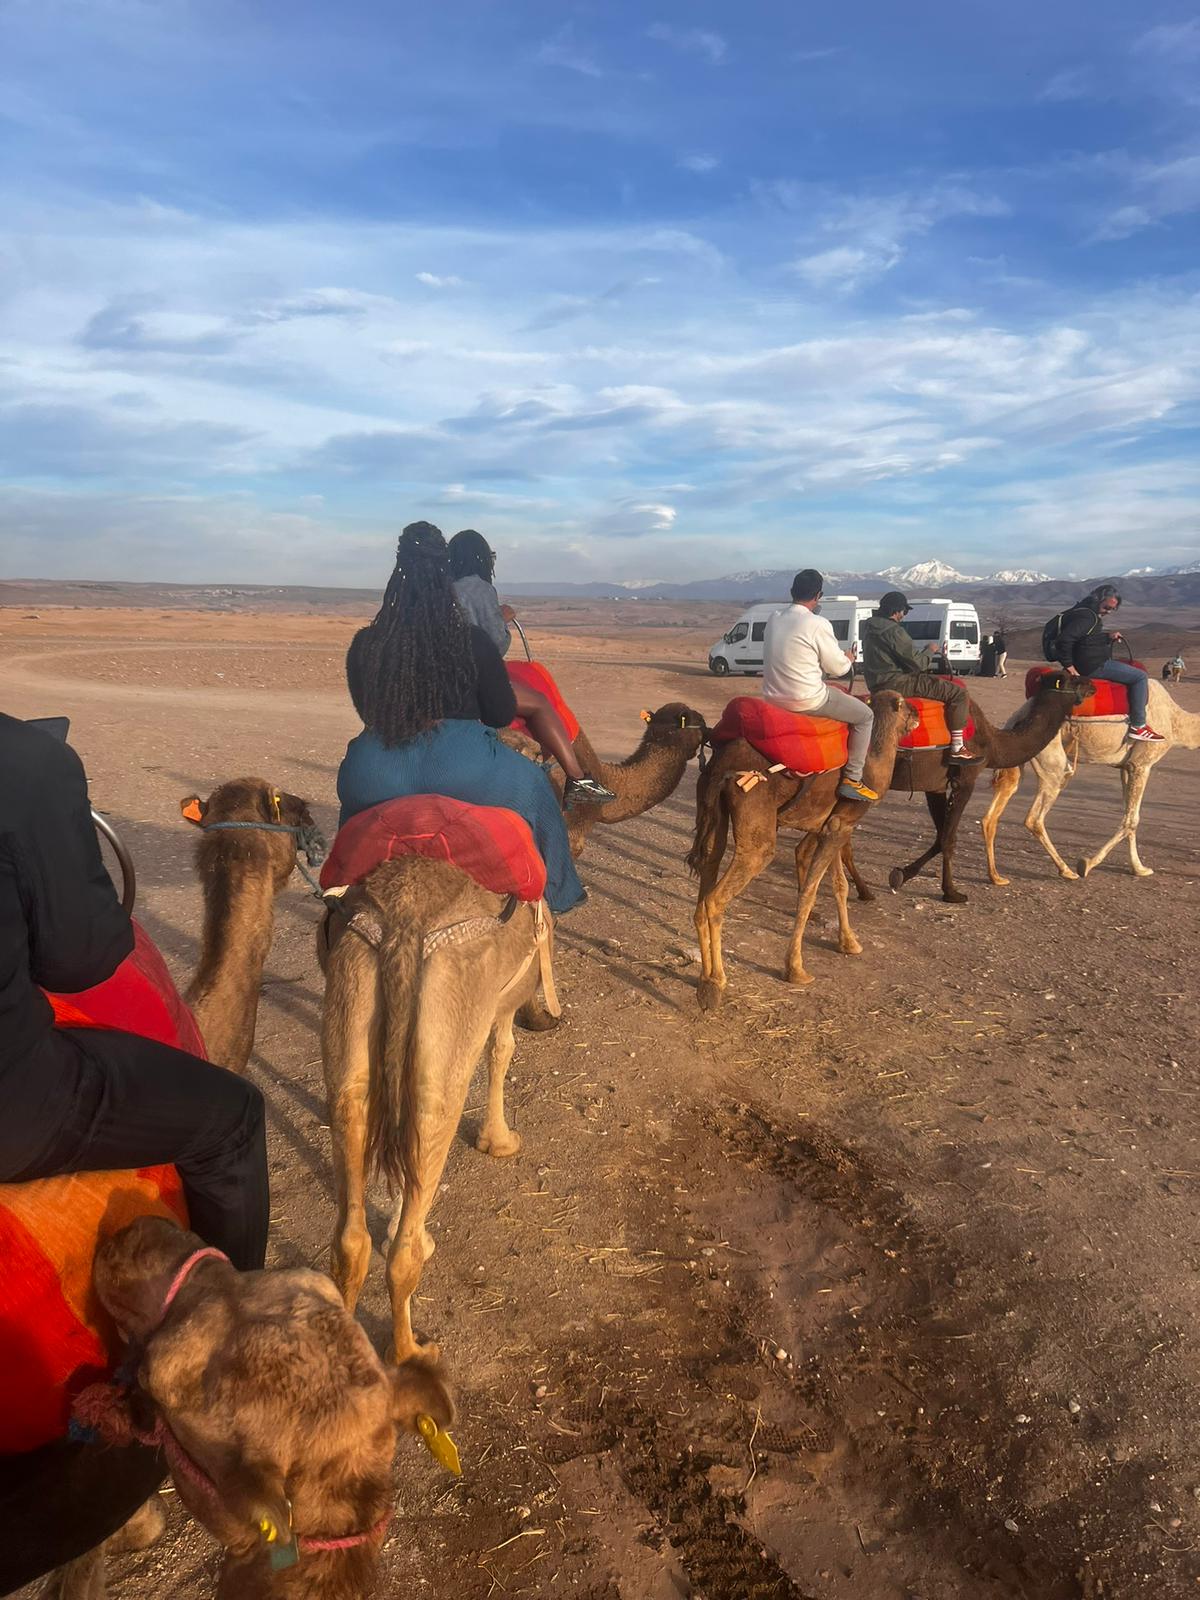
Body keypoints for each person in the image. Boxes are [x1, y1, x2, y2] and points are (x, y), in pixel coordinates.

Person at [0, 715, 269, 1271]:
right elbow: (78, 962)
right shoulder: (27, 760)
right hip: (16, 1108)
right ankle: (229, 1313)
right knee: (234, 1117)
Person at [339, 522, 587, 915]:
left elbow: (367, 712)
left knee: (354, 825)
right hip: (465, 768)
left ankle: (339, 897)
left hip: (374, 771)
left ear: (395, 578)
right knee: (537, 790)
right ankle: (560, 894)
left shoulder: (365, 644)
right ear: (446, 578)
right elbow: (500, 713)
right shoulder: (472, 641)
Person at [447, 529, 615, 807]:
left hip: (441, 682)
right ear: (482, 559)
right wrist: (501, 619)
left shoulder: (441, 590)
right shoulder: (479, 587)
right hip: (470, 682)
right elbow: (492, 645)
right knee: (540, 703)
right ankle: (578, 779)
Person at [762, 569, 878, 802]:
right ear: (818, 595)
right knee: (865, 716)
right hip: (807, 699)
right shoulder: (818, 623)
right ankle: (853, 778)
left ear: (792, 591)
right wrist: (848, 658)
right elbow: (838, 668)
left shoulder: (774, 617)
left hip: (772, 697)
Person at [860, 591, 981, 761]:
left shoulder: (869, 628)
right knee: (958, 693)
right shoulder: (894, 631)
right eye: (904, 611)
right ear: (897, 611)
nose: (903, 616)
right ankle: (957, 747)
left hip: (875, 685)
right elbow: (918, 664)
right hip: (898, 683)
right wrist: (930, 651)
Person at [1048, 584, 1162, 742]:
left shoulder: (1083, 611)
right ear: (1097, 600)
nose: (1108, 612)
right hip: (1092, 665)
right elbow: (1065, 639)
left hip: (1086, 661)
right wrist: (1069, 665)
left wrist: (1107, 637)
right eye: (1106, 607)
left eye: (1112, 609)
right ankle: (1138, 725)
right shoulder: (1088, 617)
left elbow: (1085, 639)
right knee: (1140, 677)